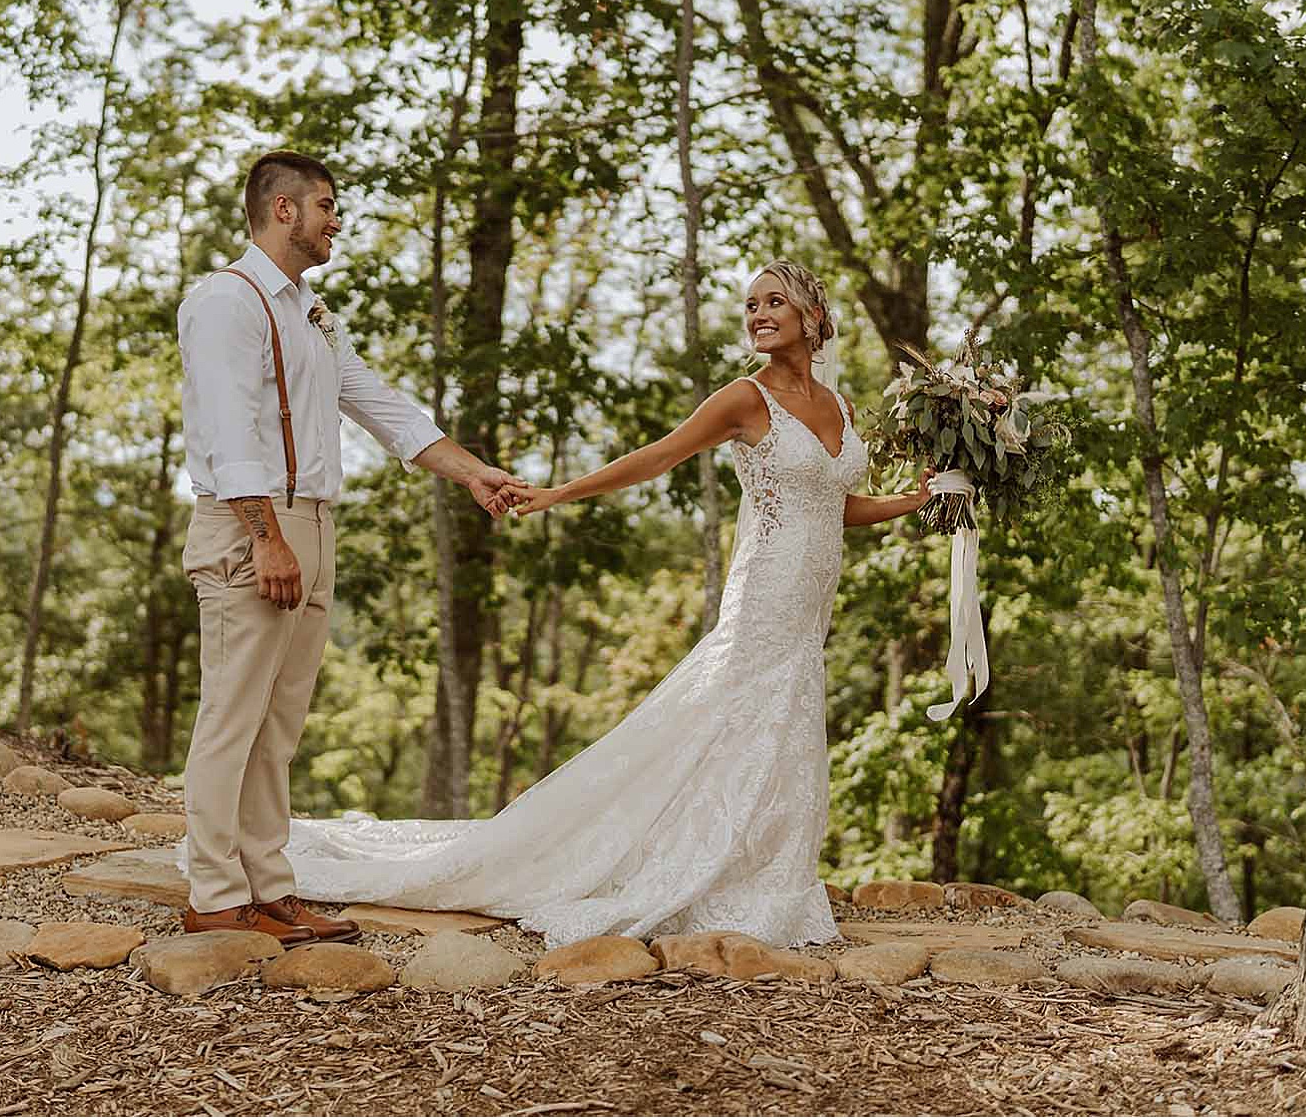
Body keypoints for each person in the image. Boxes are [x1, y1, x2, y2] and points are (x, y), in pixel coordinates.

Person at [284, 260, 934, 948]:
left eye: (774, 302)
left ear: (812, 315)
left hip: (811, 609)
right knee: (732, 718)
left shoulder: (840, 406)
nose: (757, 315)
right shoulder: (745, 398)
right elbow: (656, 458)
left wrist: (912, 501)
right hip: (766, 593)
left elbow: (836, 505)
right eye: (750, 305)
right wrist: (557, 494)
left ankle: (765, 873)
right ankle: (687, 868)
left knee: (786, 725)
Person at [175, 150, 529, 946]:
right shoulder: (226, 301)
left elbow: (380, 404)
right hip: (254, 524)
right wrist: (265, 538)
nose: (338, 220)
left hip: (314, 524)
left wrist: (473, 474)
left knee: (279, 725)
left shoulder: (310, 312)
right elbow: (228, 431)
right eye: (328, 205)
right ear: (283, 210)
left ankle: (270, 888)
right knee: (231, 717)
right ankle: (213, 894)